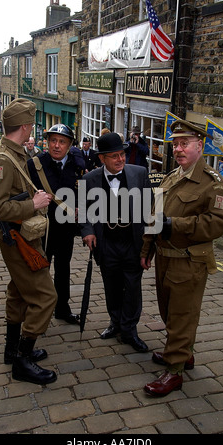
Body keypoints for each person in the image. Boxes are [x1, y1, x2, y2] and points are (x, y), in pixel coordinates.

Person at [141, 118, 223, 396]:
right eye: (175, 144)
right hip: (165, 257)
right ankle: (184, 353)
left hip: (189, 260)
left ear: (200, 146)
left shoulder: (212, 184)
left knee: (182, 314)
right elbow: (154, 216)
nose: (178, 149)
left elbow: (217, 224)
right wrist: (146, 250)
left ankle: (175, 370)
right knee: (168, 310)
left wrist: (175, 225)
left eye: (185, 143)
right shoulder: (171, 176)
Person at [0, 98, 58, 385]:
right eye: (31, 125)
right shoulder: (3, 159)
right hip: (18, 239)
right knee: (45, 297)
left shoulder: (13, 152)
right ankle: (23, 361)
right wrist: (34, 204)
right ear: (25, 126)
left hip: (21, 236)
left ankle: (11, 350)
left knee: (18, 291)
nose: (32, 129)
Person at [79, 132, 152, 352]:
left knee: (132, 287)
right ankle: (115, 322)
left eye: (122, 154)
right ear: (102, 159)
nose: (120, 159)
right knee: (111, 286)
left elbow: (152, 210)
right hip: (106, 242)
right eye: (114, 156)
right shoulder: (88, 180)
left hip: (132, 241)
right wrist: (88, 231)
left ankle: (130, 330)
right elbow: (83, 211)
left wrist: (150, 246)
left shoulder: (139, 173)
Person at [28, 124, 83, 325]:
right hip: (42, 228)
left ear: (69, 145)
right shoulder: (35, 164)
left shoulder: (77, 164)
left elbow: (82, 192)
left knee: (63, 269)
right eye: (53, 140)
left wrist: (80, 208)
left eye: (62, 142)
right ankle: (37, 311)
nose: (56, 145)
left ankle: (62, 308)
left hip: (66, 227)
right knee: (40, 270)